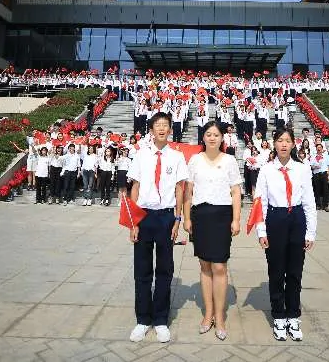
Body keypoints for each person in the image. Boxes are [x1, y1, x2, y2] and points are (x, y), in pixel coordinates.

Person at [126, 112, 189, 344]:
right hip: (143, 216)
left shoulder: (177, 157)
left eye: (165, 125)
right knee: (142, 271)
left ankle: (161, 319)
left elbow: (180, 190)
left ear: (170, 129)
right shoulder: (141, 155)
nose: (161, 129)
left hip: (166, 217)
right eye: (157, 125)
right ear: (151, 130)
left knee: (164, 270)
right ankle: (142, 319)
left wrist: (177, 220)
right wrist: (133, 222)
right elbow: (135, 188)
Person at [254, 128, 317, 342]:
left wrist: (311, 232)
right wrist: (261, 231)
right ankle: (279, 316)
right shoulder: (266, 170)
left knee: (295, 271)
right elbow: (260, 203)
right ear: (274, 143)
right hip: (275, 218)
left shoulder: (302, 169)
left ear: (292, 144)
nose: (283, 144)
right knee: (276, 271)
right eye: (280, 140)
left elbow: (309, 202)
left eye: (287, 141)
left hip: (297, 218)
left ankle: (293, 314)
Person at [183, 121, 242, 341]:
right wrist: (187, 218)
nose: (212, 138)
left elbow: (236, 192)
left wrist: (236, 219)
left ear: (222, 138)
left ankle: (220, 315)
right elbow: (188, 191)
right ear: (203, 137)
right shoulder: (195, 160)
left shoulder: (229, 160)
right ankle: (208, 314)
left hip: (222, 216)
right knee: (205, 265)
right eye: (208, 134)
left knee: (219, 265)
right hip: (200, 216)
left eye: (216, 135)